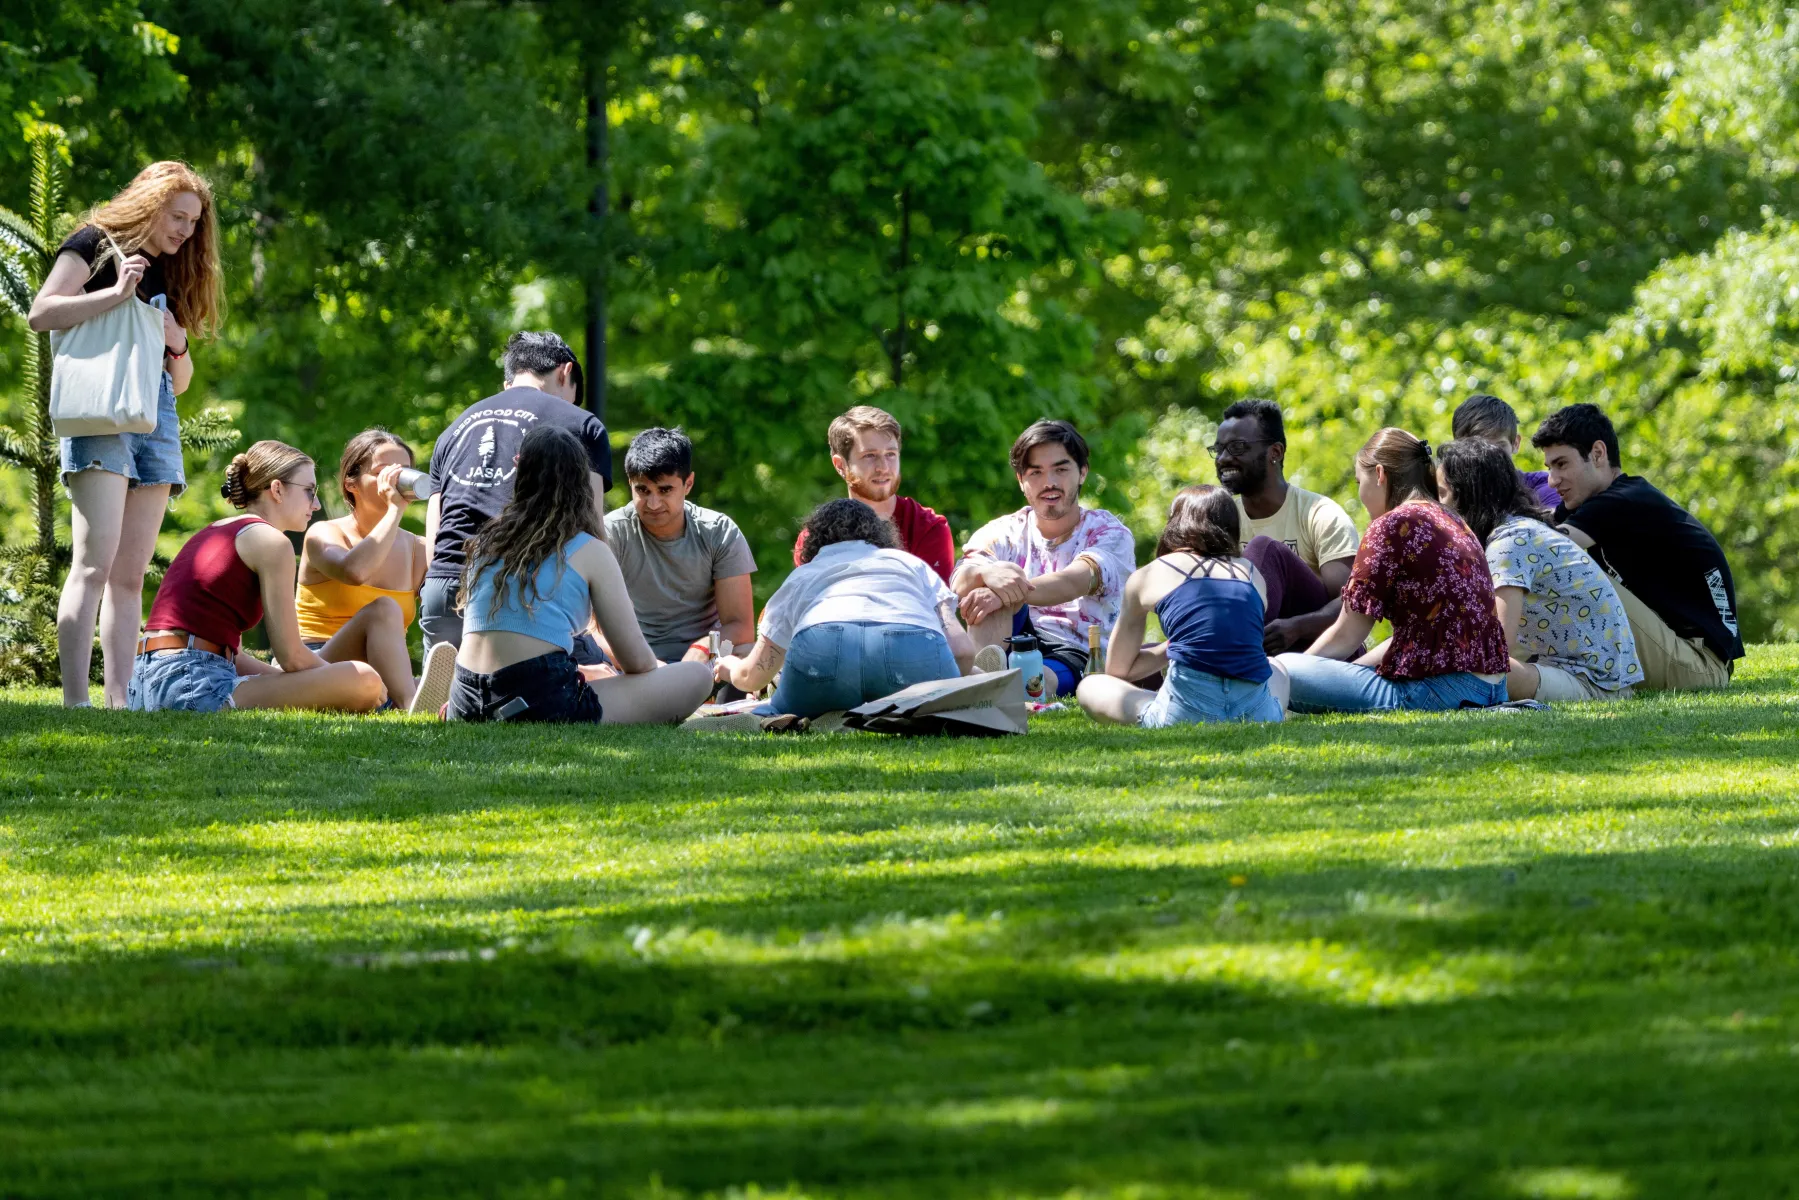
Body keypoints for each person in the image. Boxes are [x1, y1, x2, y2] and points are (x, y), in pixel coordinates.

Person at [28, 161, 223, 707]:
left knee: (130, 575)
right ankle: (75, 701)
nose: (185, 230)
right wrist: (114, 295)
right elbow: (41, 314)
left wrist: (178, 342)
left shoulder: (174, 271)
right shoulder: (93, 242)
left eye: (193, 222)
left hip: (155, 416)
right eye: (177, 216)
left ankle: (118, 702)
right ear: (149, 205)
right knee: (93, 564)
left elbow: (179, 382)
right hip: (100, 411)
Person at [450, 426, 714, 724]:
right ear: (583, 480)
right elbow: (637, 662)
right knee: (697, 675)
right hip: (538, 700)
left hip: (466, 699)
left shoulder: (486, 541)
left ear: (519, 470)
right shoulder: (589, 550)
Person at [127, 441, 387, 714]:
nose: (317, 504)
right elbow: (292, 657)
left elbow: (234, 656)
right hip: (191, 681)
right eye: (309, 491)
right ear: (277, 489)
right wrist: (338, 680)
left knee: (353, 678)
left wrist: (306, 682)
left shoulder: (216, 530)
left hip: (146, 683)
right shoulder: (272, 542)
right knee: (363, 679)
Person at [1275, 429, 1511, 713]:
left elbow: (1347, 634)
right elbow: (1417, 636)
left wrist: (1296, 672)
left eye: (1358, 481)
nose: (1359, 493)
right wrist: (1348, 674)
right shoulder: (1454, 520)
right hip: (1491, 688)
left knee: (1281, 667)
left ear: (1379, 474)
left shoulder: (1391, 525)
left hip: (1438, 690)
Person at [422, 331, 612, 653]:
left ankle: (457, 687)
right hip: (522, 590)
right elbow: (590, 525)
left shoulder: (453, 429)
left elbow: (435, 537)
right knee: (593, 670)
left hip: (443, 589)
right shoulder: (582, 425)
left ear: (509, 380)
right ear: (565, 372)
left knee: (468, 689)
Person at [1531, 403, 1743, 690]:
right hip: (1675, 649)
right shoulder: (1593, 503)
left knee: (1562, 569)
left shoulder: (1625, 500)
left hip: (1699, 665)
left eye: (1561, 464)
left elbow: (1540, 551)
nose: (1552, 480)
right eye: (1549, 468)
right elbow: (1533, 531)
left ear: (1597, 454)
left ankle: (1498, 672)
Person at [715, 499, 974, 716]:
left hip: (822, 647)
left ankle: (807, 714)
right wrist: (945, 685)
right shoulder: (911, 565)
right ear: (880, 533)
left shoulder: (802, 576)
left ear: (813, 541)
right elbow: (962, 651)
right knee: (940, 699)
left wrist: (730, 668)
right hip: (911, 648)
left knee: (776, 708)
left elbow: (755, 674)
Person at [1437, 438, 1642, 702]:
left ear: (1468, 495)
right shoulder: (1514, 531)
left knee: (1474, 671)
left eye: (1442, 494)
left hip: (1595, 684)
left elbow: (1495, 649)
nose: (1437, 507)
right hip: (1565, 668)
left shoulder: (1509, 543)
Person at [951, 420, 1136, 698]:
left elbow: (1074, 581)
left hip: (1073, 647)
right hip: (1010, 634)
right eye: (1036, 472)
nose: (1049, 482)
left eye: (1061, 469)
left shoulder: (1108, 533)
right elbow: (959, 579)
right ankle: (982, 684)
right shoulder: (1003, 530)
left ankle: (1000, 688)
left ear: (1082, 473)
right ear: (1021, 481)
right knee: (989, 580)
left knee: (1035, 682)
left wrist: (1006, 593)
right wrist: (986, 576)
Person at [1076, 486, 1288, 727]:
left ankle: (1165, 708)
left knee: (1091, 685)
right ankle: (1270, 716)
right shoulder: (1252, 574)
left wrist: (1172, 648)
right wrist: (1182, 646)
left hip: (1183, 714)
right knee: (1277, 666)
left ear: (1175, 524)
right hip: (1255, 713)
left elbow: (1117, 670)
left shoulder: (1148, 575)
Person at [294, 429, 430, 709]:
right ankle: (408, 706)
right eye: (383, 473)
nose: (393, 482)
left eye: (403, 472)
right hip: (318, 663)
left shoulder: (418, 549)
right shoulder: (323, 534)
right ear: (350, 483)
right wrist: (395, 510)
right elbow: (354, 572)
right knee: (384, 609)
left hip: (383, 671)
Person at [1210, 399, 1360, 653]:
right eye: (1219, 449)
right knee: (1150, 659)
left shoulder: (1320, 514)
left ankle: (1233, 665)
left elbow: (1352, 603)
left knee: (1265, 549)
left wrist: (1297, 627)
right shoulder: (1221, 519)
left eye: (1236, 447)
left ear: (1275, 453)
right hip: (1252, 648)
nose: (1224, 458)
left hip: (1321, 652)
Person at [605, 427, 756, 662]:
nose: (653, 503)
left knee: (745, 653)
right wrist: (646, 665)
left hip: (705, 661)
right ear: (630, 484)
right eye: (643, 490)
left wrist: (702, 649)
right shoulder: (610, 532)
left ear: (688, 484)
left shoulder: (719, 531)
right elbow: (592, 629)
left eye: (665, 490)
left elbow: (741, 628)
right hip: (630, 663)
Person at [792, 405, 955, 582]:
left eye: (891, 454)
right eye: (869, 455)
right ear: (840, 465)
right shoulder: (816, 537)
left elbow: (936, 608)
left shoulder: (927, 528)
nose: (883, 467)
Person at [1451, 392, 1560, 508]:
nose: (1488, 458)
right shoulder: (1446, 494)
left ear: (1516, 443)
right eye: (1475, 449)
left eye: (1498, 448)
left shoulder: (1547, 487)